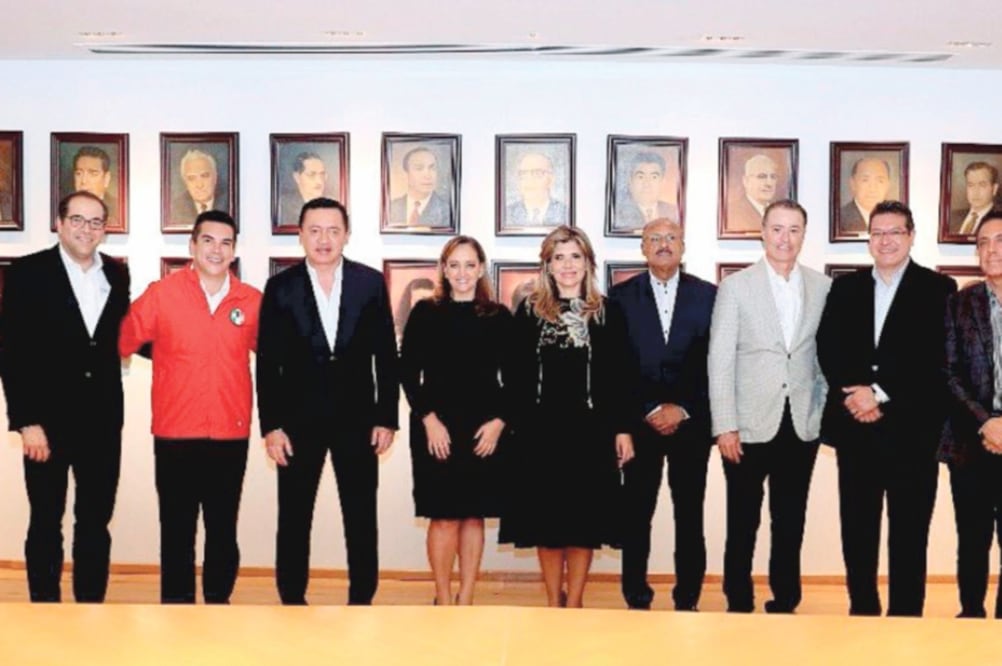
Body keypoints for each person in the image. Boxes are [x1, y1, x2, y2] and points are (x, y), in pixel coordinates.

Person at [256, 197, 399, 606]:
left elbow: (386, 356)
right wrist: (272, 426)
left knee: (360, 516)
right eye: (315, 230)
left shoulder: (369, 282)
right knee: (294, 516)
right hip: (297, 424)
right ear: (299, 234)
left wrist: (386, 418)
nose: (324, 239)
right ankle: (292, 598)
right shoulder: (280, 287)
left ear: (347, 235)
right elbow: (267, 364)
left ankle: (362, 599)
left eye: (333, 231)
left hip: (358, 421)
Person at [817, 200, 957, 616]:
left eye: (895, 232)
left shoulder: (938, 289)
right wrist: (857, 394)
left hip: (912, 434)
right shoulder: (845, 288)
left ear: (911, 236)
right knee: (857, 530)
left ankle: (906, 616)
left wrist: (878, 392)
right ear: (869, 240)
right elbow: (829, 347)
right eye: (877, 233)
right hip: (855, 433)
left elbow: (936, 360)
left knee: (910, 533)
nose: (886, 240)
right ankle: (862, 611)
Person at [119, 209, 261, 604]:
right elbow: (123, 341)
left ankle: (218, 603)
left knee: (222, 529)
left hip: (230, 434)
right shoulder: (162, 294)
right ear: (192, 246)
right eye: (208, 241)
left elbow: (279, 358)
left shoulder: (250, 301)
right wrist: (163, 354)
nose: (217, 250)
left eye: (226, 242)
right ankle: (176, 611)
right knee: (177, 530)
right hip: (174, 433)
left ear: (234, 250)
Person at [0, 191, 130, 602]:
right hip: (47, 425)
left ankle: (90, 608)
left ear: (104, 229)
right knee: (45, 521)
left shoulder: (117, 274)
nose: (86, 229)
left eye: (95, 222)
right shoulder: (28, 273)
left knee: (95, 522)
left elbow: (121, 338)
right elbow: (12, 350)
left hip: (103, 422)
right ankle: (45, 610)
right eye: (78, 219)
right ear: (60, 222)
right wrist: (26, 420)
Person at [499, 225, 633, 608]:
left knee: (582, 523)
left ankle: (574, 601)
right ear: (548, 265)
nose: (568, 265)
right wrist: (516, 426)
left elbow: (622, 375)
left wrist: (623, 429)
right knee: (547, 523)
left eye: (576, 256)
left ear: (588, 262)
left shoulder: (608, 312)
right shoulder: (529, 311)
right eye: (559, 257)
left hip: (592, 432)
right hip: (539, 432)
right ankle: (552, 601)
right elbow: (514, 374)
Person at [708, 199, 831, 614]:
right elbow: (720, 359)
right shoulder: (736, 287)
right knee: (742, 521)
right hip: (746, 426)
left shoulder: (822, 286)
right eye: (777, 228)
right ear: (762, 232)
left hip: (800, 424)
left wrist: (820, 412)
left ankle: (786, 596)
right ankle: (738, 599)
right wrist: (725, 425)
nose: (785, 238)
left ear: (803, 235)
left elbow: (822, 359)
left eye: (794, 229)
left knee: (790, 520)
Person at [609, 218, 716, 611]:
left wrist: (683, 408)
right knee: (636, 514)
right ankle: (636, 595)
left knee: (690, 515)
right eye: (654, 239)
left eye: (671, 238)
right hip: (640, 425)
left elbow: (717, 363)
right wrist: (649, 408)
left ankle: (687, 596)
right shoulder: (619, 298)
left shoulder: (710, 296)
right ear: (643, 249)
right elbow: (615, 366)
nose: (663, 244)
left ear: (684, 246)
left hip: (692, 424)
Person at [399, 236, 512, 605]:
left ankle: (466, 596)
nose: (462, 273)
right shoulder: (425, 313)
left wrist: (499, 422)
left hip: (484, 429)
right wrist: (428, 419)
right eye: (454, 265)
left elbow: (518, 379)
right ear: (444, 270)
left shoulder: (499, 316)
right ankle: (444, 596)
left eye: (469, 265)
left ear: (480, 269)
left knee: (473, 516)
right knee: (444, 516)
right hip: (437, 428)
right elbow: (407, 372)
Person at [940, 211, 1002, 619]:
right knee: (972, 538)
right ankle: (970, 617)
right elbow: (947, 372)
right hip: (972, 440)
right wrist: (987, 421)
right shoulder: (960, 302)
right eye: (983, 243)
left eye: (1000, 240)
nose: (991, 250)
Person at [614, 152, 680, 230]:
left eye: (654, 177)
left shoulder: (673, 212)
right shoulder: (619, 214)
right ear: (630, 182)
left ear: (663, 182)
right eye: (640, 177)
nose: (647, 184)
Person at [388, 146, 451, 228]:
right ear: (406, 174)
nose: (428, 175)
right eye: (419, 168)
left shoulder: (446, 211)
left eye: (432, 168)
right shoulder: (392, 207)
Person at [505, 152, 569, 227]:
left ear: (551, 179)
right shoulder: (507, 213)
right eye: (523, 174)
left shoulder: (564, 212)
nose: (529, 180)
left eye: (537, 173)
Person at [171, 149, 227, 226]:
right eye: (191, 178)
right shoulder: (175, 208)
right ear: (185, 182)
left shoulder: (228, 202)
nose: (199, 185)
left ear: (215, 177)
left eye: (204, 176)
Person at [726, 154, 778, 232]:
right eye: (762, 176)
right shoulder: (733, 212)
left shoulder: (778, 212)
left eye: (773, 177)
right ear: (746, 181)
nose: (769, 183)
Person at [839, 157, 891, 233]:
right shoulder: (840, 218)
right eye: (865, 180)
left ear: (888, 185)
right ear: (852, 184)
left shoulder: (896, 218)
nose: (873, 188)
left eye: (880, 181)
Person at [71, 146, 118, 227]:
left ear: (106, 178)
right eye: (79, 173)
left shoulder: (117, 209)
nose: (84, 181)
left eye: (93, 174)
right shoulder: (67, 208)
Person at [279, 151, 328, 227]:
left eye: (322, 174)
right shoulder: (284, 206)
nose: (319, 181)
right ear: (297, 177)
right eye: (311, 175)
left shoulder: (331, 204)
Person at [950, 162, 1000, 235]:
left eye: (982, 185)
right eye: (971, 185)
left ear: (994, 189)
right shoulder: (953, 217)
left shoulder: (998, 219)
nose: (976, 192)